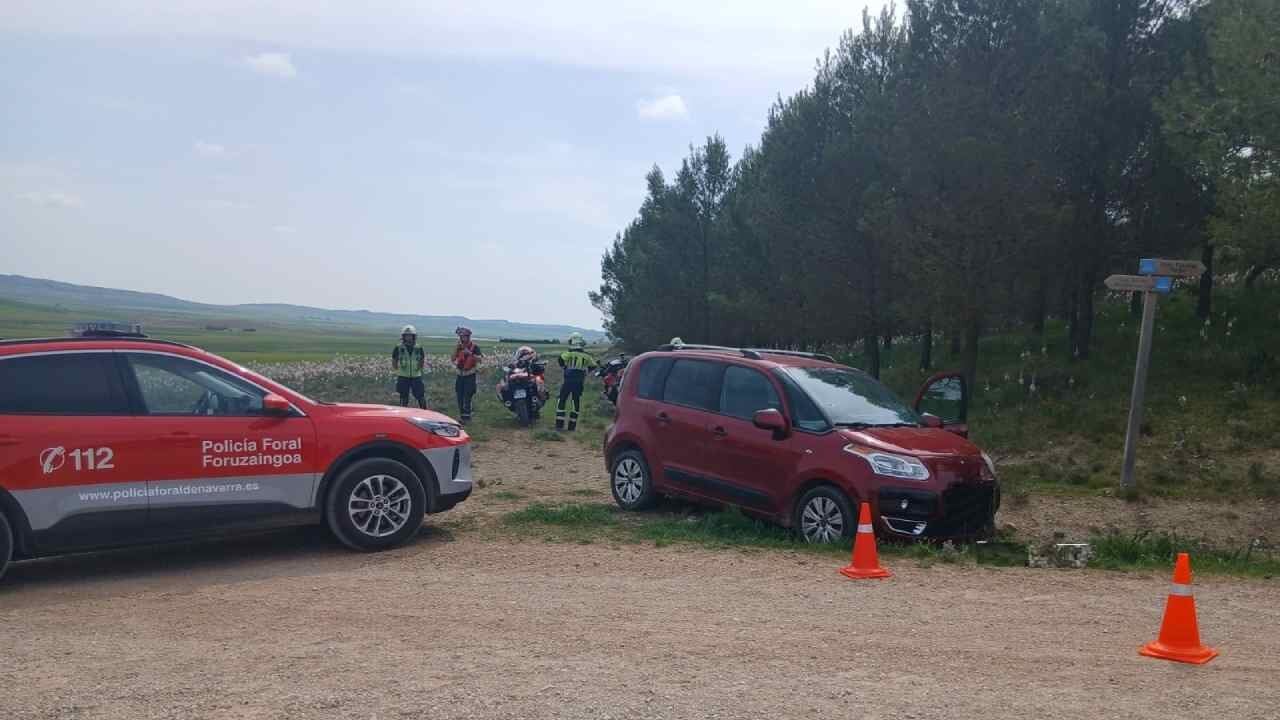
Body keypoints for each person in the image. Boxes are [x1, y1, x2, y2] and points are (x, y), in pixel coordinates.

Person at [556, 333, 597, 431]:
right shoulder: (586, 356)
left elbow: (560, 359)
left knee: (562, 400)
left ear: (573, 341)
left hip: (568, 380)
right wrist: (586, 371)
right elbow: (593, 365)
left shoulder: (569, 353)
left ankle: (559, 425)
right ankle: (572, 426)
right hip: (579, 382)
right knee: (576, 401)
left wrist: (564, 367)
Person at [451, 326, 483, 424]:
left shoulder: (475, 347)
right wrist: (457, 349)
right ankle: (462, 416)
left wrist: (470, 353)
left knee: (467, 395)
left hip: (470, 374)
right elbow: (453, 359)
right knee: (459, 395)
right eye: (461, 336)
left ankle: (467, 417)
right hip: (460, 375)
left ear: (468, 337)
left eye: (464, 336)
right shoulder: (459, 346)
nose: (462, 338)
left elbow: (480, 359)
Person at [391, 325, 427, 409]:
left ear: (414, 336)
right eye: (406, 335)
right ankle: (403, 414)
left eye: (410, 335)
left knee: (420, 396)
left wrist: (419, 369)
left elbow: (422, 359)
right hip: (403, 376)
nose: (408, 337)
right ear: (403, 336)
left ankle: (425, 412)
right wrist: (397, 370)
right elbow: (394, 360)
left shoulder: (419, 347)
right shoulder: (398, 347)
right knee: (403, 397)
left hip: (416, 375)